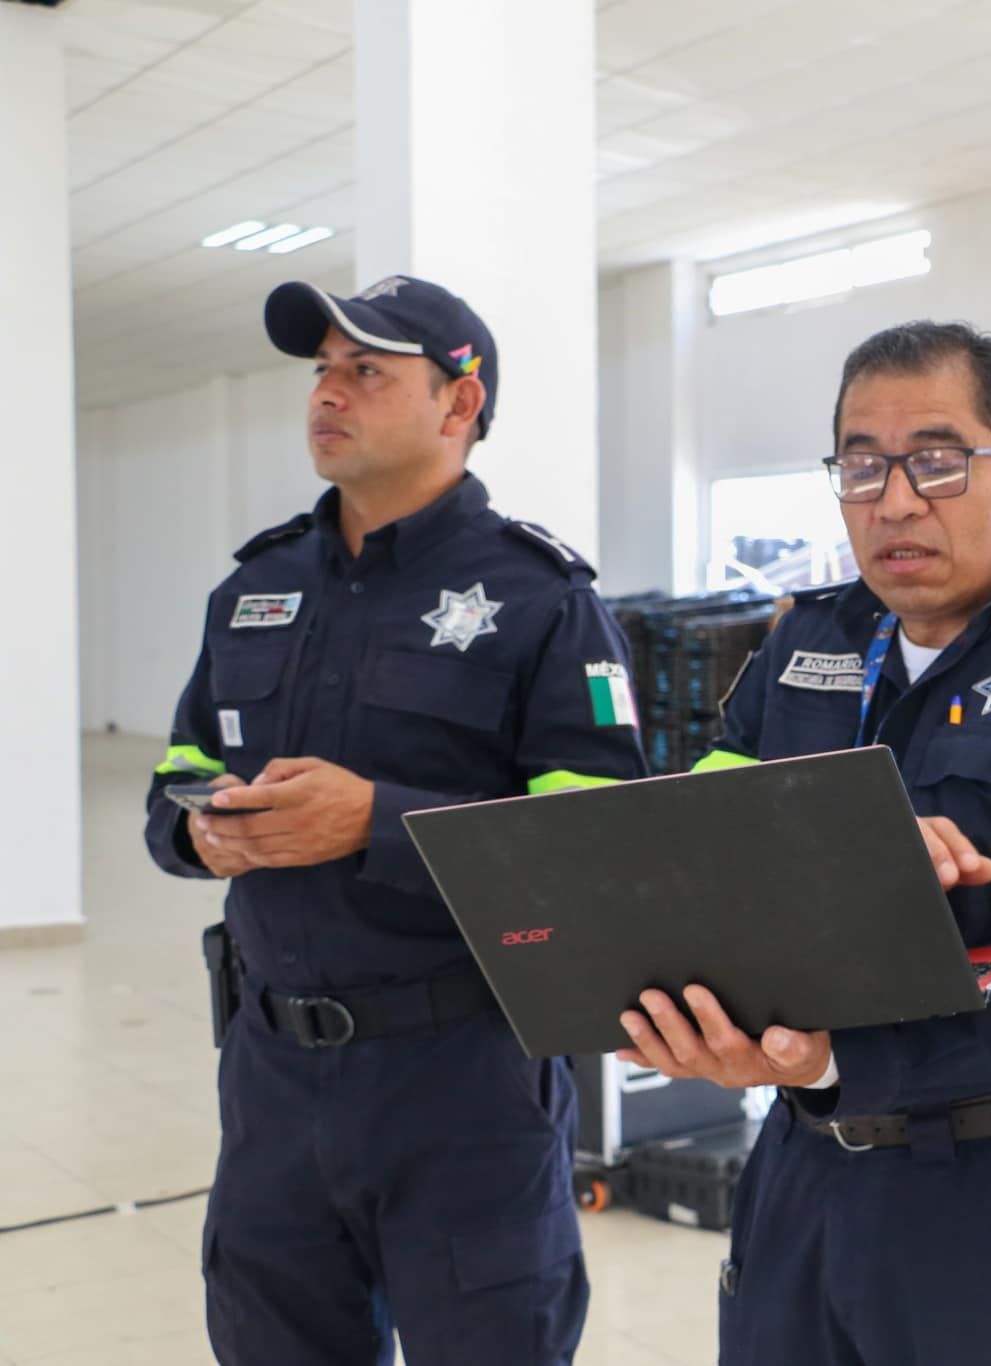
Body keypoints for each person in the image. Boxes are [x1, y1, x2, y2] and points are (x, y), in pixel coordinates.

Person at [616, 320, 991, 1365]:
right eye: (860, 465)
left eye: (936, 461)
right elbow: (689, 862)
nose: (892, 499)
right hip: (799, 1169)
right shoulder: (806, 644)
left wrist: (839, 1055)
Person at [144, 275, 649, 1365]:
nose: (328, 394)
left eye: (366, 371)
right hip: (271, 1076)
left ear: (457, 405)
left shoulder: (543, 600)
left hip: (460, 1077)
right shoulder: (255, 587)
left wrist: (378, 820)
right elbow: (175, 779)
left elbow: (601, 848)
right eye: (323, 370)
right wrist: (198, 833)